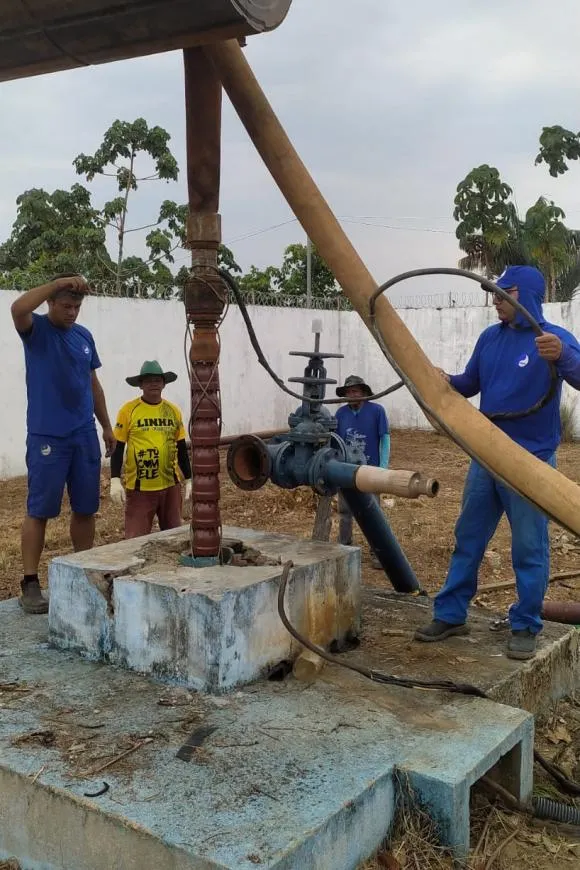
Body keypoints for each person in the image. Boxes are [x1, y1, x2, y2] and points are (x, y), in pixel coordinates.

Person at [415, 265, 580, 660]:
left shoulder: (553, 339)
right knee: (468, 537)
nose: (494, 298)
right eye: (493, 291)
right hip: (485, 456)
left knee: (528, 547)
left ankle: (525, 625)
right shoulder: (490, 339)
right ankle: (452, 613)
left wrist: (564, 359)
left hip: (530, 461)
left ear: (526, 295)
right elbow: (470, 383)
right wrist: (445, 380)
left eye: (502, 291)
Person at [11, 274, 115, 615]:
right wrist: (56, 283)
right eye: (66, 306)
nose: (72, 313)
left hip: (83, 434)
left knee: (86, 509)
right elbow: (17, 307)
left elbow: (93, 385)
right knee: (39, 510)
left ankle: (82, 574)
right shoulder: (36, 330)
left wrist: (106, 427)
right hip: (47, 436)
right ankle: (30, 583)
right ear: (51, 303)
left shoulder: (84, 337)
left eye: (77, 307)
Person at [110, 361, 192, 538]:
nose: (153, 384)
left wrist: (189, 479)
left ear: (164, 384)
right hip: (140, 488)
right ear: (140, 385)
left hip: (171, 485)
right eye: (148, 381)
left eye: (157, 380)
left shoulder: (173, 411)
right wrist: (115, 479)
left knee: (175, 537)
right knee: (135, 541)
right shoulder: (128, 410)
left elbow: (181, 447)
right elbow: (118, 447)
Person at [334, 374, 390, 568]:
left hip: (370, 469)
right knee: (345, 511)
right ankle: (344, 548)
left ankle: (379, 553)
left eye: (356, 391)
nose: (352, 395)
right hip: (346, 469)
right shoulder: (341, 414)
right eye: (349, 392)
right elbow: (335, 441)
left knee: (373, 512)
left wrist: (382, 468)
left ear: (364, 393)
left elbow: (385, 439)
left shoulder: (377, 411)